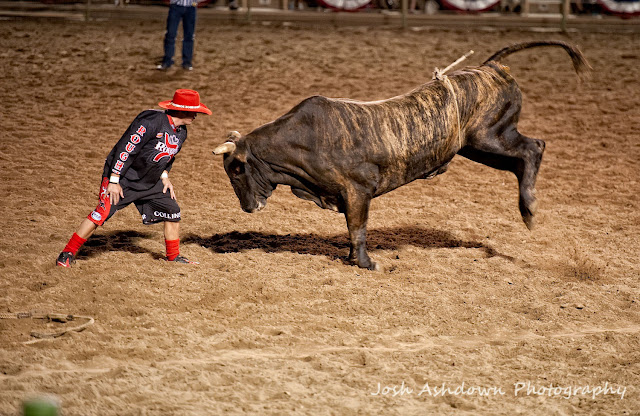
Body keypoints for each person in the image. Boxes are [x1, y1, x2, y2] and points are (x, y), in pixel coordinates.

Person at [56, 89, 212, 268]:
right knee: (102, 213)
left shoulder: (181, 132)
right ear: (183, 111)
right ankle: (67, 253)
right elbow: (126, 149)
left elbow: (167, 157)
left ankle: (173, 256)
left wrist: (164, 176)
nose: (196, 116)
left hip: (150, 180)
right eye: (195, 112)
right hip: (123, 178)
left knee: (172, 211)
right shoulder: (149, 123)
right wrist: (114, 180)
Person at [157, 0, 201, 71]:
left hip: (191, 6)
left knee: (189, 35)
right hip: (176, 6)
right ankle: (167, 61)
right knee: (171, 34)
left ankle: (187, 62)